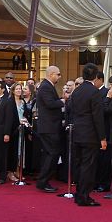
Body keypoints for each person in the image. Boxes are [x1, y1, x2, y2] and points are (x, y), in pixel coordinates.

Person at [69, 62, 107, 207]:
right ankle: (84, 196)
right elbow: (98, 117)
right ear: (95, 76)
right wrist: (102, 137)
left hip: (77, 132)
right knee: (88, 166)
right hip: (90, 134)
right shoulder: (94, 92)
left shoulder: (76, 91)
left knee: (79, 165)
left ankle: (79, 194)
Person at [34, 65, 65, 193]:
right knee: (52, 153)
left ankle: (43, 180)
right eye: (58, 74)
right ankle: (43, 181)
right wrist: (63, 100)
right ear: (51, 74)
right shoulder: (46, 86)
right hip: (49, 127)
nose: (59, 76)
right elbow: (50, 104)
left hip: (49, 126)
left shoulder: (47, 86)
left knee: (50, 153)